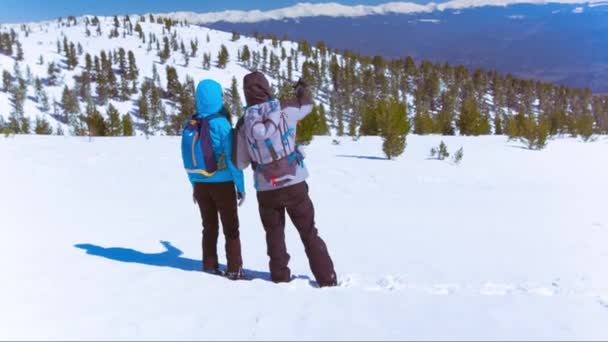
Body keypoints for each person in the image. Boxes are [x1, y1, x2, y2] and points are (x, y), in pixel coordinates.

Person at [233, 71, 337, 287]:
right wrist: (301, 91)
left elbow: (240, 163)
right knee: (309, 232)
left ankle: (280, 278)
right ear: (266, 88)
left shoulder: (244, 125)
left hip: (265, 187)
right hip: (294, 182)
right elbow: (307, 106)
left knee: (274, 235)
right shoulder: (284, 109)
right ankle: (327, 278)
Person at [185, 79, 246, 280]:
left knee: (208, 226)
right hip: (222, 183)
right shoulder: (221, 123)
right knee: (231, 228)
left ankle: (209, 264)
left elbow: (188, 158)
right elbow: (232, 158)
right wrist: (240, 185)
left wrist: (194, 184)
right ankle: (234, 268)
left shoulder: (192, 124)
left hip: (201, 184)